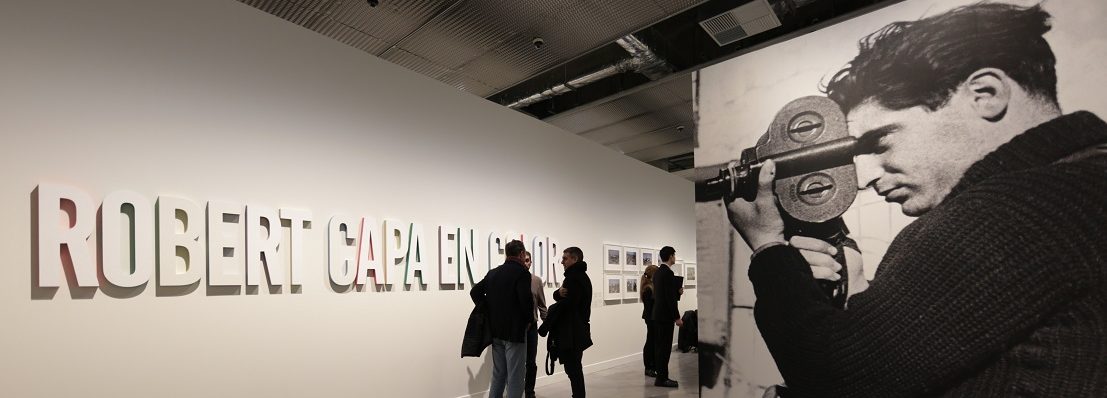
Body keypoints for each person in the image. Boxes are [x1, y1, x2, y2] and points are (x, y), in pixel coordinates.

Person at [726, 3, 1107, 397]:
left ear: (985, 94)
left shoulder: (1010, 212)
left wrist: (768, 247)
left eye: (883, 141)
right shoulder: (1086, 183)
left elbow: (834, 378)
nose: (866, 177)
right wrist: (857, 292)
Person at [470, 240, 534, 398]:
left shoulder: (493, 272)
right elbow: (526, 301)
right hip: (515, 332)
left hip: (496, 331)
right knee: (515, 377)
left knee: (498, 375)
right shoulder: (522, 273)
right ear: (521, 254)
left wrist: (488, 309)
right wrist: (529, 320)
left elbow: (475, 292)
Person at [551, 246, 592, 397]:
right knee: (573, 367)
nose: (562, 262)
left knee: (573, 368)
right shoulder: (579, 276)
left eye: (565, 258)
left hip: (573, 331)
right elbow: (564, 297)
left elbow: (568, 304)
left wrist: (556, 298)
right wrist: (558, 294)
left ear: (575, 259)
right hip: (576, 328)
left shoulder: (574, 278)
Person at [651, 246, 683, 388]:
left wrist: (677, 292)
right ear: (670, 256)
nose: (675, 257)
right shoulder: (668, 273)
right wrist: (677, 317)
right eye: (674, 255)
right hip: (665, 317)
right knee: (664, 349)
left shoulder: (658, 272)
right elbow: (669, 298)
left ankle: (661, 376)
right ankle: (662, 379)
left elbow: (664, 295)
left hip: (658, 315)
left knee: (660, 348)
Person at [521, 251, 548, 398]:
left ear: (531, 262)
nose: (525, 263)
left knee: (531, 362)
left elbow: (542, 305)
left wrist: (549, 325)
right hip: (517, 328)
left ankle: (529, 392)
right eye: (523, 260)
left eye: (527, 260)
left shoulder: (536, 281)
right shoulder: (514, 280)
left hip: (532, 328)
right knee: (516, 363)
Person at [640, 264, 659, 377]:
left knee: (653, 341)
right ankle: (649, 367)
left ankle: (652, 365)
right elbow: (649, 307)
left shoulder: (652, 286)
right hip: (651, 318)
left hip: (652, 317)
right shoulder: (648, 288)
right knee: (651, 341)